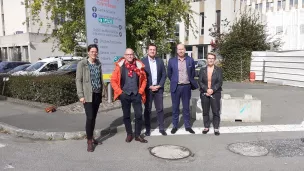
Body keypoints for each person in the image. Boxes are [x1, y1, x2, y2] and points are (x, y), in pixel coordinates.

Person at [111, 48, 148, 143]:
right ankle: (129, 134)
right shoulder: (120, 66)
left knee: (139, 115)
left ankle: (137, 135)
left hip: (136, 94)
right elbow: (113, 81)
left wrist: (140, 91)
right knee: (126, 116)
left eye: (131, 54)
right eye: (128, 55)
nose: (130, 56)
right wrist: (120, 93)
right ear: (125, 55)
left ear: (133, 55)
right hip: (125, 94)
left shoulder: (139, 66)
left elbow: (144, 80)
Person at [76, 44, 103, 152]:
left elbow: (100, 78)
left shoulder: (98, 63)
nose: (94, 53)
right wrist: (81, 95)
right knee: (90, 117)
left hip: (97, 94)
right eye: (92, 51)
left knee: (94, 117)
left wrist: (103, 92)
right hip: (87, 95)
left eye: (95, 52)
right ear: (88, 52)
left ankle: (91, 137)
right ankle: (89, 141)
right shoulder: (82, 64)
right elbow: (78, 80)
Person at [167, 44, 198, 134]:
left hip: (186, 87)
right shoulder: (171, 61)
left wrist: (188, 81)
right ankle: (175, 126)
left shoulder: (190, 60)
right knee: (175, 108)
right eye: (179, 49)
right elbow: (169, 73)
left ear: (185, 50)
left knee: (186, 107)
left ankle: (187, 126)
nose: (181, 51)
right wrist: (174, 81)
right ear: (177, 51)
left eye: (182, 49)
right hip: (176, 87)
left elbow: (192, 73)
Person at [141, 44, 167, 136]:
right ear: (147, 51)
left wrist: (160, 85)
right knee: (147, 110)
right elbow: (141, 77)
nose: (152, 51)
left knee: (160, 109)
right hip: (148, 89)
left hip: (158, 89)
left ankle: (161, 128)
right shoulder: (142, 62)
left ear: (156, 51)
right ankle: (148, 129)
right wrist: (149, 86)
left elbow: (164, 74)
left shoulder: (160, 61)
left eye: (154, 50)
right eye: (151, 49)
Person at [198, 52, 223, 136]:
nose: (211, 60)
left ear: (214, 60)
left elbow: (220, 82)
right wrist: (206, 89)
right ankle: (206, 126)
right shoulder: (202, 70)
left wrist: (212, 89)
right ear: (207, 59)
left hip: (215, 93)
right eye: (209, 58)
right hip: (204, 93)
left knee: (216, 111)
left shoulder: (218, 70)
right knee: (205, 111)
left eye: (212, 58)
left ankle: (216, 128)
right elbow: (200, 81)